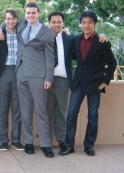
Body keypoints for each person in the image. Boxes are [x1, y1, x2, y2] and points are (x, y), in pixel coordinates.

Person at [0, 2, 55, 158]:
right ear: (25, 14)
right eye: (28, 13)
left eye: (33, 13)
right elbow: (7, 21)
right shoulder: (22, 24)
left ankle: (45, 144)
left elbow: (50, 58)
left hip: (39, 76)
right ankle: (28, 142)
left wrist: (49, 77)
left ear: (38, 13)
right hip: (20, 74)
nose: (30, 15)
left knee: (41, 111)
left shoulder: (47, 33)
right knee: (25, 111)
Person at [59, 10, 116, 156]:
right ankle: (69, 145)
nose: (86, 25)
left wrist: (105, 82)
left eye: (90, 22)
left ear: (95, 24)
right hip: (78, 83)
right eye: (83, 22)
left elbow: (112, 63)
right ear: (80, 24)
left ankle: (89, 145)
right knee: (71, 114)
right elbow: (71, 55)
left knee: (92, 116)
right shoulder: (76, 39)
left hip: (95, 84)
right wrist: (65, 32)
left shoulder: (102, 41)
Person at [0, 9, 24, 151]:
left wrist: (65, 30)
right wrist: (0, 28)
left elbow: (38, 23)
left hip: (19, 71)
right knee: (3, 109)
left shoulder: (22, 31)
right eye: (7, 19)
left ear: (17, 20)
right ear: (4, 20)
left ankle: (16, 140)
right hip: (3, 72)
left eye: (13, 19)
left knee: (17, 109)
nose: (10, 21)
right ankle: (4, 140)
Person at [46, 12, 74, 149]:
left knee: (62, 112)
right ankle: (47, 141)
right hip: (47, 80)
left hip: (64, 79)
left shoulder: (69, 37)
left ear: (63, 23)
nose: (56, 25)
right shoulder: (44, 37)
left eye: (59, 22)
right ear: (49, 23)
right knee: (48, 112)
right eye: (53, 22)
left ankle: (62, 140)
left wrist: (102, 36)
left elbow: (86, 40)